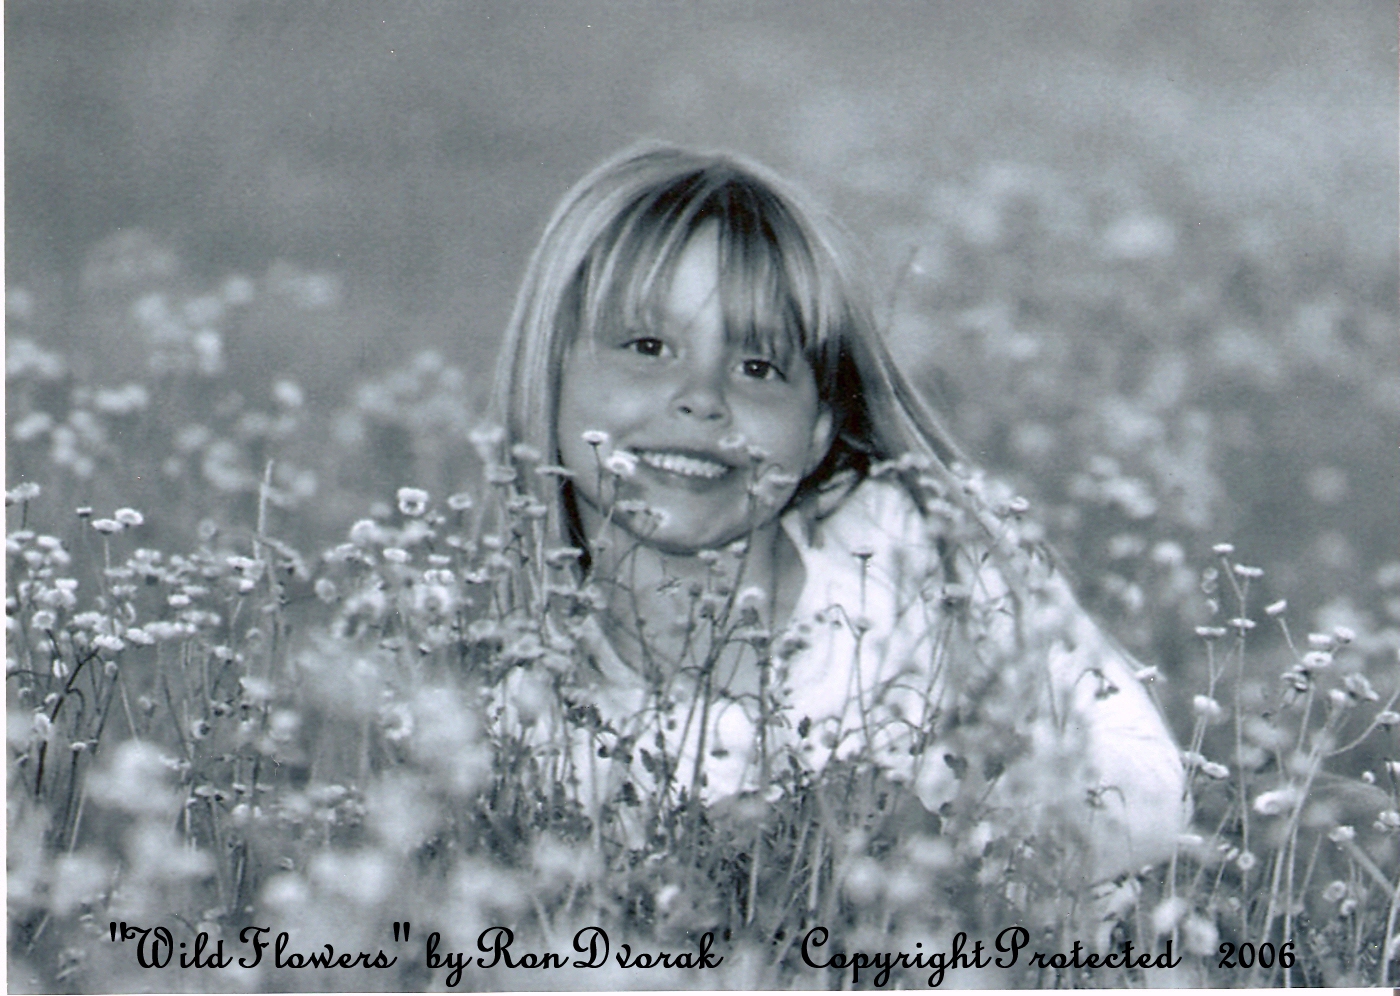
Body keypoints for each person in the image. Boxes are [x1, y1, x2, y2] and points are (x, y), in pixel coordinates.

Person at [486, 142, 1186, 880]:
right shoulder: (517, 689)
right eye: (648, 345)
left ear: (819, 422)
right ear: (549, 372)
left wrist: (961, 841)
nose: (702, 397)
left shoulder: (917, 549)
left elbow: (1143, 776)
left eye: (758, 366)